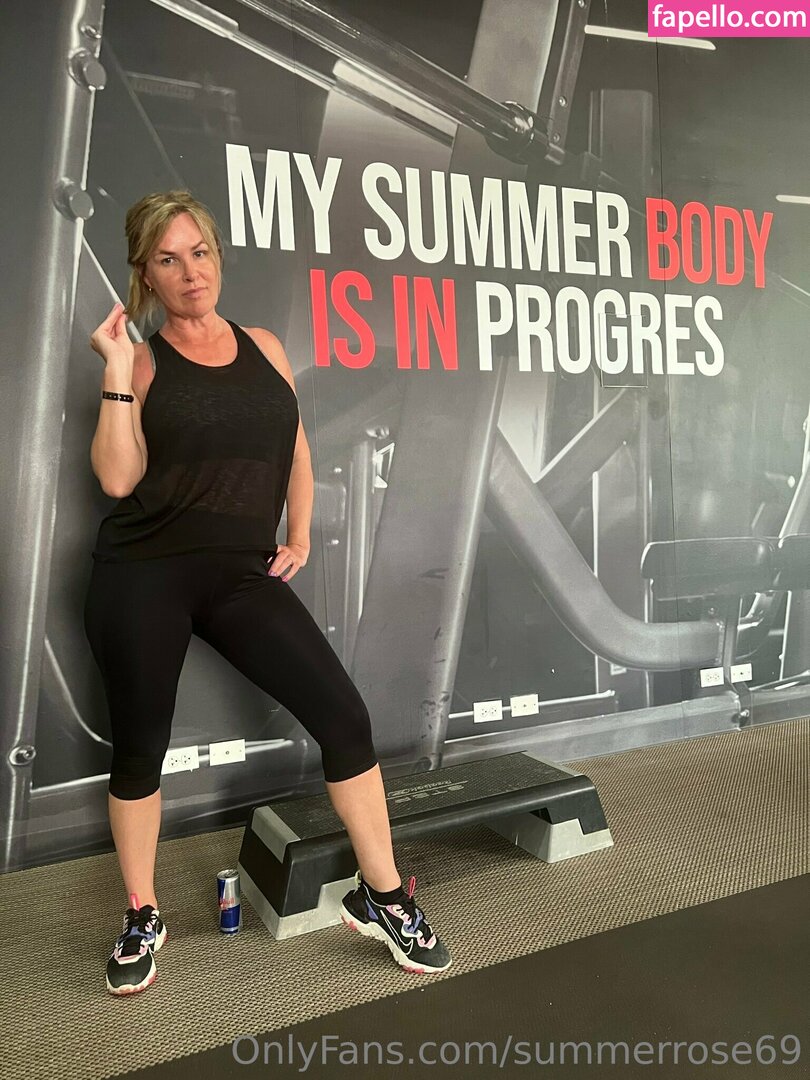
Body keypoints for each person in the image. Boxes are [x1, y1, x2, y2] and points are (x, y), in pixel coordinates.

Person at [83, 189, 451, 996]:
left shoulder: (265, 347)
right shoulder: (141, 363)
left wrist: (301, 532)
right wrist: (113, 369)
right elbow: (116, 479)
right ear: (146, 273)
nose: (190, 272)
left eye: (199, 253)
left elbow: (296, 450)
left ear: (217, 256)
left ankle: (383, 895)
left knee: (344, 718)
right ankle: (142, 914)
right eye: (168, 260)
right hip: (143, 571)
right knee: (141, 747)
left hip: (239, 575)